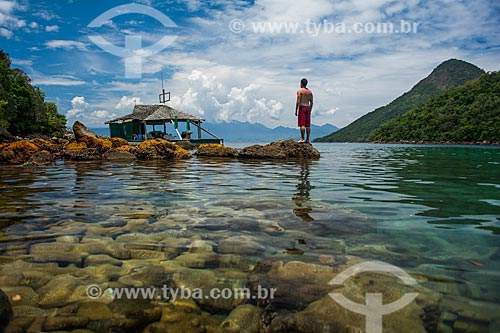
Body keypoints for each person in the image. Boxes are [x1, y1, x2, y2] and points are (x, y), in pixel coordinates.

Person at [295, 78, 313, 143]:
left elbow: (298, 101)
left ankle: (302, 139)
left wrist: (296, 110)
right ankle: (307, 139)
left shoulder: (300, 91)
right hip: (308, 107)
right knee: (307, 125)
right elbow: (311, 102)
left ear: (301, 83)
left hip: (302, 107)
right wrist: (310, 110)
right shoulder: (310, 92)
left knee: (302, 124)